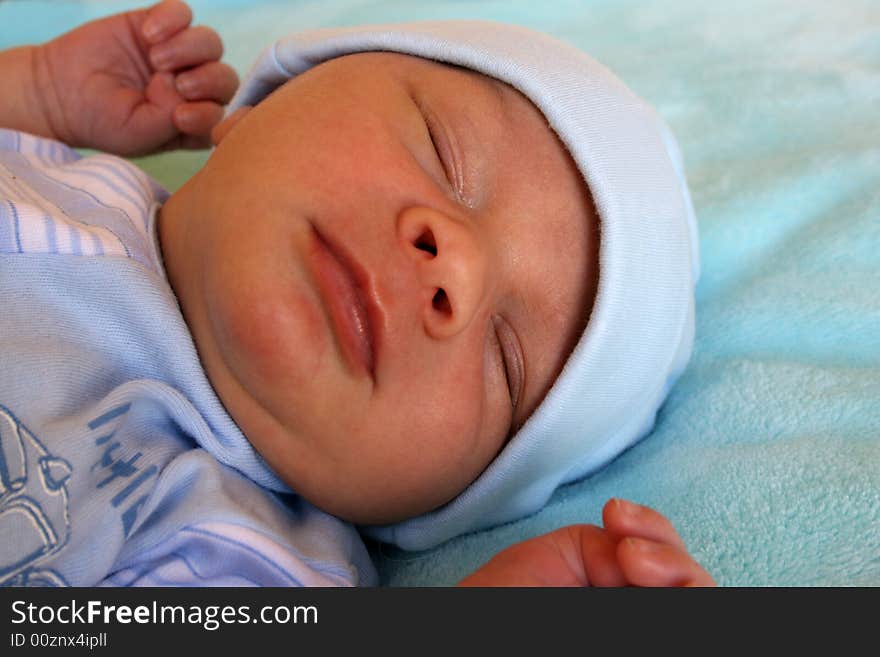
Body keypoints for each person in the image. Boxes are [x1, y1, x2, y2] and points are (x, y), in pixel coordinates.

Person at [0, 0, 712, 586]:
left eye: (506, 359)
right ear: (271, 99)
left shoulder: (253, 558)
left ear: (432, 507)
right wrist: (34, 91)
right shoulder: (51, 168)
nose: (454, 268)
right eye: (444, 150)